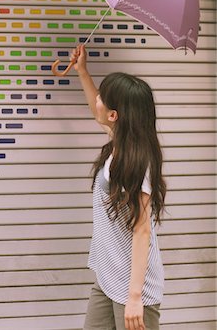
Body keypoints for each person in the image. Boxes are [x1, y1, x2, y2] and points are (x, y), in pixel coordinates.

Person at [70, 45, 166, 330]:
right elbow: (95, 109)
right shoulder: (120, 141)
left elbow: (142, 229)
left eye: (103, 98)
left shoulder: (136, 161)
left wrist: (134, 297)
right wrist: (82, 72)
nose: (97, 100)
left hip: (133, 287)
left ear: (114, 115)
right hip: (107, 276)